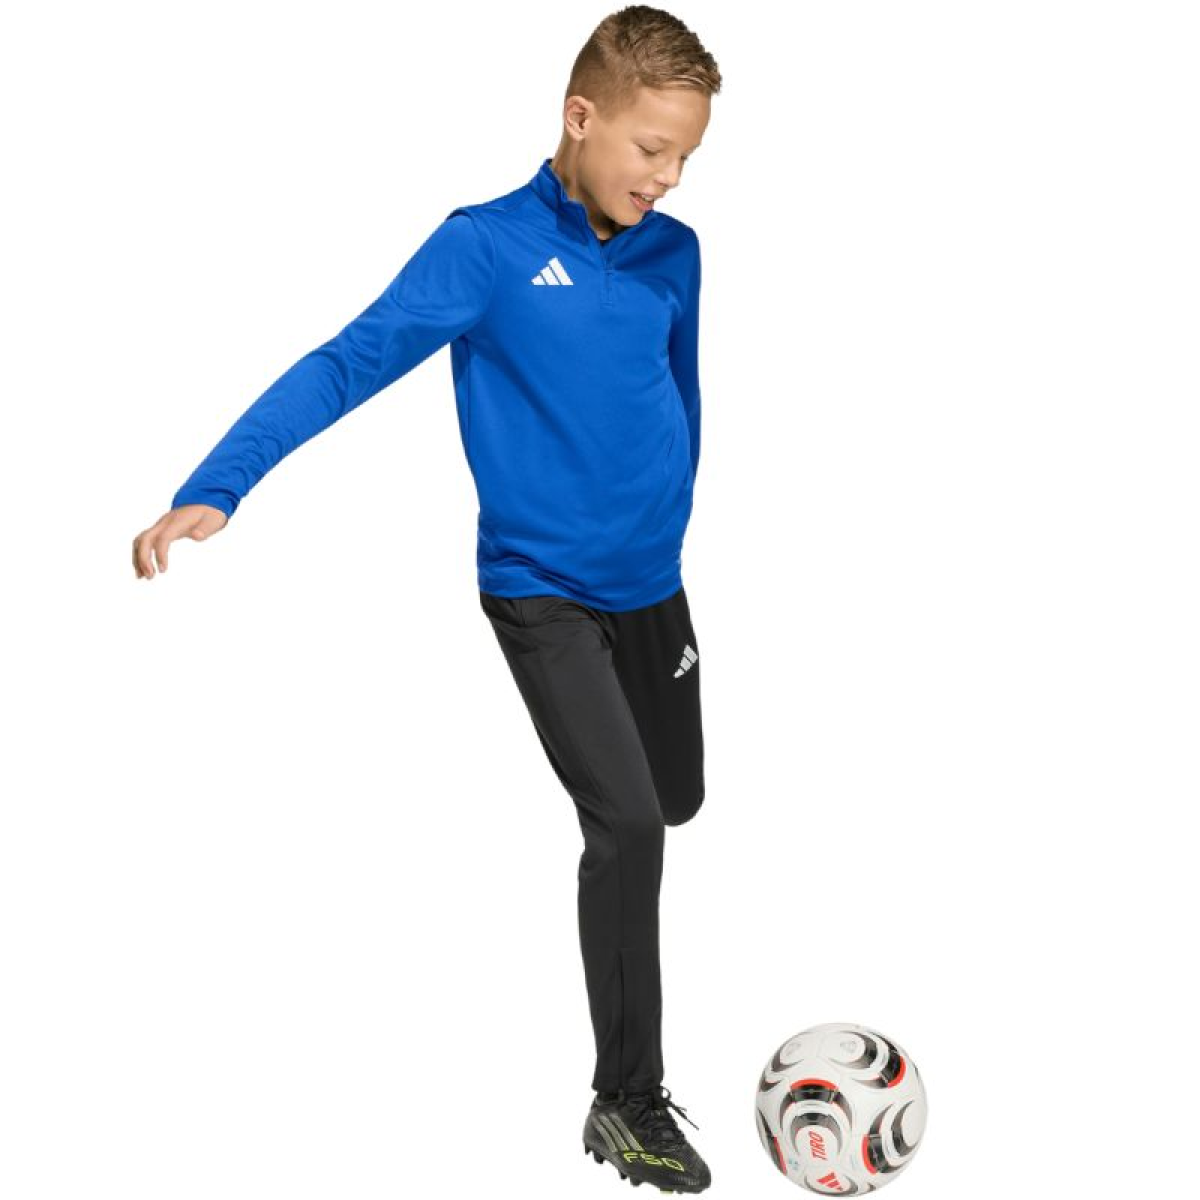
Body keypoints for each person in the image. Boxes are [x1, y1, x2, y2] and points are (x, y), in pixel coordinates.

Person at [132, 6, 720, 1192]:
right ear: (581, 117)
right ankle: (626, 1102)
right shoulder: (487, 248)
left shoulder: (677, 251)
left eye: (688, 158)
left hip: (652, 586)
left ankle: (632, 956)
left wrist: (666, 516)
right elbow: (351, 359)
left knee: (677, 800)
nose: (667, 178)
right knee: (630, 828)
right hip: (543, 591)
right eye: (652, 149)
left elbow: (680, 391)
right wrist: (219, 484)